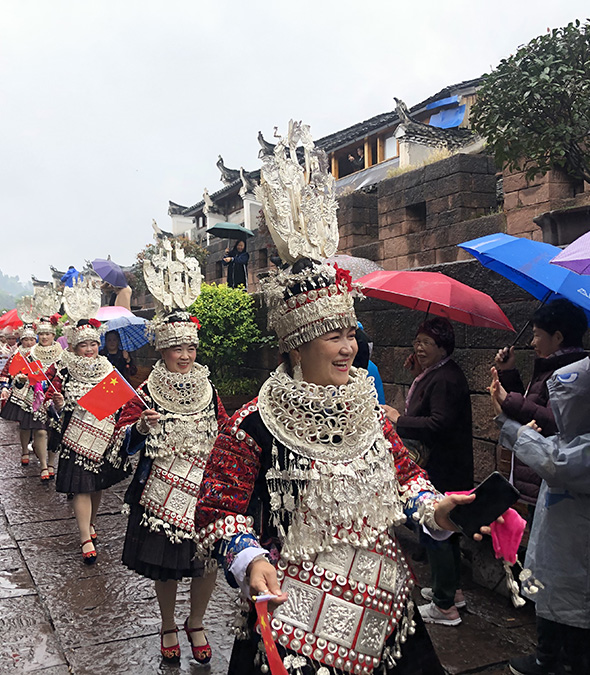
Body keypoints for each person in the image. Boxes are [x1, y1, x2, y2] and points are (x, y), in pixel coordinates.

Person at [194, 125, 487, 675]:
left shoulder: (371, 418)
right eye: (336, 337)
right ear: (298, 344)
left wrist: (440, 510)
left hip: (384, 604)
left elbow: (407, 482)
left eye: (351, 335)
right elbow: (218, 511)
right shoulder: (255, 425)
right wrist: (250, 557)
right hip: (294, 614)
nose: (350, 348)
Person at [494, 357, 590, 675]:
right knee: (550, 599)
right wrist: (513, 424)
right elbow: (546, 449)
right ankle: (547, 657)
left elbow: (556, 465)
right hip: (561, 547)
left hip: (585, 554)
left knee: (585, 628)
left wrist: (509, 425)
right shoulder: (573, 438)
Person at [116, 308, 227, 665]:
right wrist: (141, 429)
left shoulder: (208, 390)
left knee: (206, 561)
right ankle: (167, 624)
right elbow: (122, 438)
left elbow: (225, 431)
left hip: (204, 489)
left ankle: (196, 622)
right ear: (163, 351)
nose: (184, 356)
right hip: (160, 490)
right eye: (177, 348)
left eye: (190, 348)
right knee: (165, 563)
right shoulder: (147, 391)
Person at [383, 317, 474, 627]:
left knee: (439, 531)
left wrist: (398, 419)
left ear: (443, 347)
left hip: (444, 468)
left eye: (427, 343)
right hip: (443, 465)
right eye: (417, 340)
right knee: (442, 532)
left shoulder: (446, 379)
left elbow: (438, 424)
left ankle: (445, 606)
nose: (419, 347)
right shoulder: (435, 373)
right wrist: (419, 374)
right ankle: (450, 590)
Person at [490, 299, 589, 504]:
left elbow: (554, 420)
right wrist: (508, 372)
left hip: (551, 481)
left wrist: (508, 400)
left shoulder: (571, 375)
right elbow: (532, 406)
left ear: (558, 337)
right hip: (537, 475)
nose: (532, 342)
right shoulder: (551, 366)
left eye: (537, 335)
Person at [47, 320, 129, 563]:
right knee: (82, 486)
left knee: (96, 485)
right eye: (84, 345)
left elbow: (119, 402)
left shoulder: (107, 368)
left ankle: (92, 522)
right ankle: (84, 536)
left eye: (94, 343)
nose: (90, 349)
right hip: (75, 435)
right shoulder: (64, 369)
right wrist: (59, 405)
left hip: (103, 434)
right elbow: (47, 397)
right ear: (74, 346)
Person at [0, 326, 38, 466]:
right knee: (25, 425)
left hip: (38, 394)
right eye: (26, 339)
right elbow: (5, 374)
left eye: (32, 339)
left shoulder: (41, 353)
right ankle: (24, 451)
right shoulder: (17, 355)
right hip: (21, 394)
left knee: (39, 425)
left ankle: (36, 446)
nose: (29, 342)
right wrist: (4, 387)